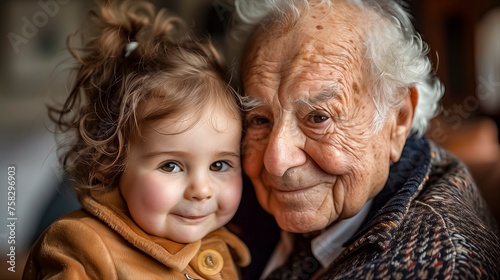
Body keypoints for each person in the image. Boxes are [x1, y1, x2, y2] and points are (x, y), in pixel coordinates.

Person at [227, 0, 500, 279]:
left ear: (398, 119)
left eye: (318, 118)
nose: (276, 161)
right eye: (260, 119)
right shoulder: (221, 191)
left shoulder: (433, 266)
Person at [22, 0, 250, 279]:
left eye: (220, 165)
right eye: (171, 166)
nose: (202, 190)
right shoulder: (81, 245)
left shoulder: (220, 245)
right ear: (111, 161)